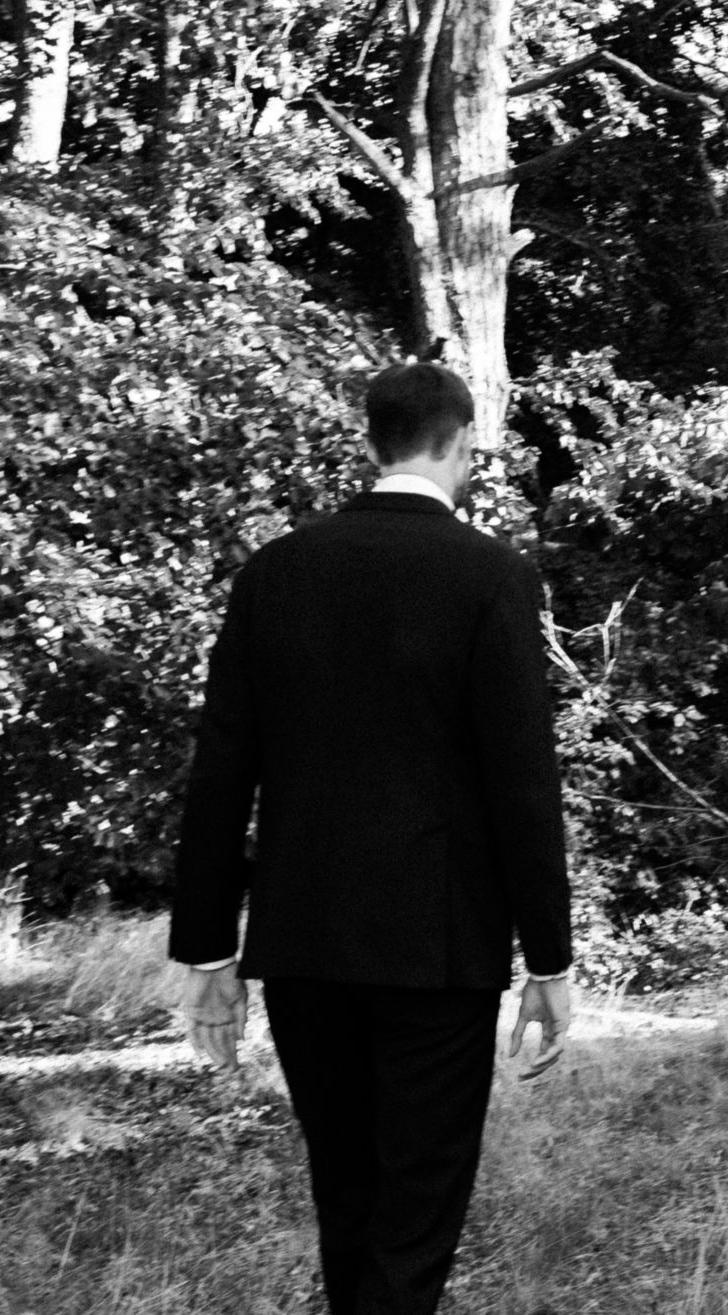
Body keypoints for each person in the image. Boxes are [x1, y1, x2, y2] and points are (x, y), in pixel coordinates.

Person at [169, 361, 576, 1315]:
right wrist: (549, 958)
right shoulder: (491, 577)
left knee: (346, 1197)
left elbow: (221, 771)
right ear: (461, 442)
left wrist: (208, 950)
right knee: (414, 1216)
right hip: (437, 951)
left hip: (303, 941)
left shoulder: (274, 573)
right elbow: (522, 784)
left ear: (372, 442)